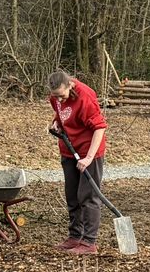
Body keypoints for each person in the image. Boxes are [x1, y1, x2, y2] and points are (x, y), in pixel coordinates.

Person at [47, 70, 107, 255]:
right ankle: (75, 236)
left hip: (89, 150)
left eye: (62, 95)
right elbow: (61, 113)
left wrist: (88, 158)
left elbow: (99, 128)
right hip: (69, 149)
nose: (60, 100)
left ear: (70, 85)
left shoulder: (85, 96)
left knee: (87, 196)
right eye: (56, 96)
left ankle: (89, 242)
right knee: (72, 195)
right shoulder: (56, 97)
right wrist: (56, 122)